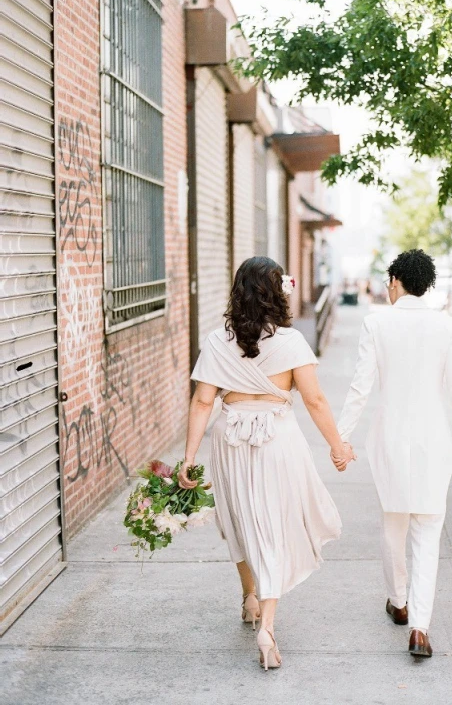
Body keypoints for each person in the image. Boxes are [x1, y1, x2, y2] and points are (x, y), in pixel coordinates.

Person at [178, 256, 355, 671]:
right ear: (278, 292)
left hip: (230, 437)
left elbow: (203, 401)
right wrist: (337, 446)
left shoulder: (216, 340)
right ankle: (268, 627)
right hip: (277, 438)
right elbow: (314, 400)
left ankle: (249, 599)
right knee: (272, 526)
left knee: (239, 519)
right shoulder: (291, 342)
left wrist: (188, 458)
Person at [336, 249, 452, 658]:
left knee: (393, 525)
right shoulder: (445, 326)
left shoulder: (376, 323)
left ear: (394, 281)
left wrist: (341, 438)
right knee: (427, 531)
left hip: (389, 440)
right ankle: (420, 629)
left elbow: (360, 388)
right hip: (433, 442)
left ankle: (399, 602)